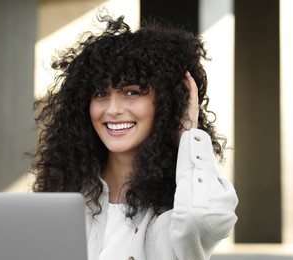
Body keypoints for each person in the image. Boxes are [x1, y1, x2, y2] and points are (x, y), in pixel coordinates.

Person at [31, 14, 238, 260]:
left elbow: (199, 220)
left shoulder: (185, 198)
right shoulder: (66, 196)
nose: (113, 109)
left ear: (166, 103)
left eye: (132, 92)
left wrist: (188, 133)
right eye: (100, 93)